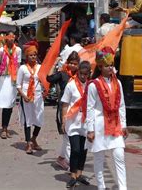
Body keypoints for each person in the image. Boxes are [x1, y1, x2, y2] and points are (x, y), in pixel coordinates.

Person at [86, 47, 128, 190]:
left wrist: (124, 125)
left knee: (119, 156)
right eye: (107, 65)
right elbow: (90, 108)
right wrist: (90, 129)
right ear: (99, 66)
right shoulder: (93, 85)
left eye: (112, 65)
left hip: (115, 125)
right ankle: (101, 186)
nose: (110, 67)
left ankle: (123, 188)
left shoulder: (118, 83)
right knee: (99, 159)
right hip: (99, 126)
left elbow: (121, 105)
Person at [47, 51, 80, 170]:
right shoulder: (62, 74)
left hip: (77, 110)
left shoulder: (81, 76)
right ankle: (72, 165)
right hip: (64, 108)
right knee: (67, 135)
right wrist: (54, 64)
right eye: (70, 63)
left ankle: (61, 158)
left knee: (72, 136)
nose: (73, 66)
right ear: (67, 63)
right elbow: (49, 78)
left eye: (75, 63)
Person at [61, 61, 92, 188]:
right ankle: (72, 175)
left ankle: (79, 173)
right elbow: (65, 104)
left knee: (83, 150)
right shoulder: (71, 85)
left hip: (85, 122)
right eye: (81, 73)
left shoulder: (91, 86)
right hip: (73, 121)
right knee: (75, 149)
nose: (83, 76)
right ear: (77, 72)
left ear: (89, 74)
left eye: (86, 74)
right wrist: (63, 120)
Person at [17, 41, 44, 154]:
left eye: (34, 55)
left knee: (39, 119)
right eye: (31, 55)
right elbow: (18, 85)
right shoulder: (23, 68)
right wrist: (24, 96)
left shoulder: (40, 67)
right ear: (27, 56)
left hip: (38, 96)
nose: (33, 57)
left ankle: (34, 138)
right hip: (26, 97)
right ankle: (28, 143)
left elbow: (44, 80)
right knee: (28, 120)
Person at [0, 32, 21, 139]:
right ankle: (3, 128)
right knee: (4, 102)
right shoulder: (1, 50)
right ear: (6, 39)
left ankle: (5, 127)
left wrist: (18, 80)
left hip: (13, 78)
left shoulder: (18, 50)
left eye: (12, 37)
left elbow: (18, 64)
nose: (11, 39)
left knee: (10, 103)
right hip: (3, 77)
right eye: (9, 37)